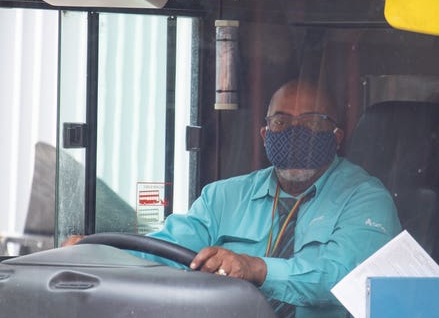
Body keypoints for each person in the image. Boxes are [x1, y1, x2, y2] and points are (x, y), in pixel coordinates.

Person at [68, 80, 402, 317]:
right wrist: (100, 251)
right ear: (265, 134)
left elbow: (340, 280)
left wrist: (254, 268)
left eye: (312, 122)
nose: (295, 132)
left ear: (337, 136)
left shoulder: (366, 199)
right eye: (282, 122)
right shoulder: (224, 196)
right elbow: (165, 249)